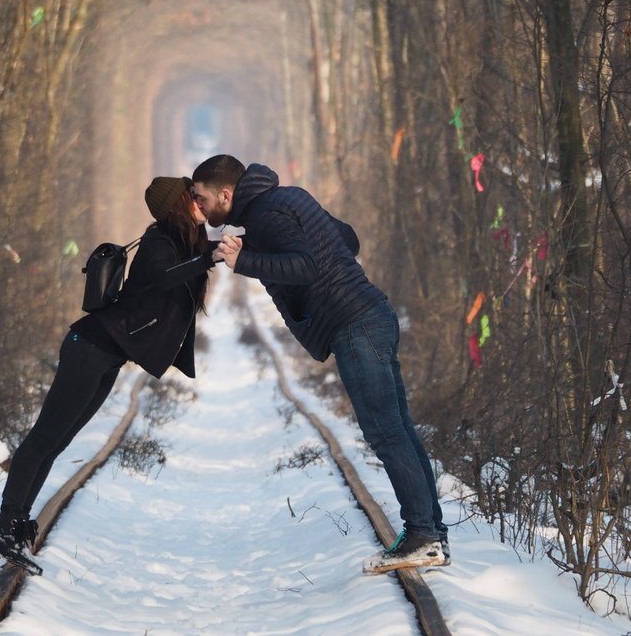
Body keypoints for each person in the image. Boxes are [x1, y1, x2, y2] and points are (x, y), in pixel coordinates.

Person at [191, 155, 448, 574]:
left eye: (202, 199)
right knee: (398, 431)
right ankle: (430, 533)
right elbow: (346, 239)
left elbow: (308, 265)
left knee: (386, 435)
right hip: (371, 316)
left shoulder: (267, 215)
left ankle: (423, 535)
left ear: (225, 193)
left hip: (355, 326)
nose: (200, 209)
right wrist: (247, 250)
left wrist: (246, 261)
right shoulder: (286, 200)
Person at [0, 176, 214, 572]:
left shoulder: (182, 243)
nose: (199, 201)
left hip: (105, 356)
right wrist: (207, 258)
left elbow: (204, 256)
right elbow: (163, 277)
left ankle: (17, 525)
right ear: (177, 203)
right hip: (88, 350)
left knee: (56, 443)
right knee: (43, 439)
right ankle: (6, 529)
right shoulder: (160, 243)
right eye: (192, 195)